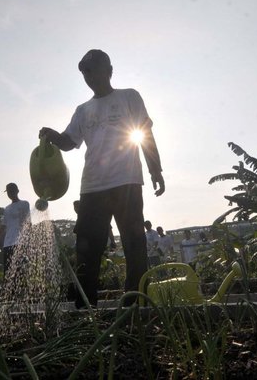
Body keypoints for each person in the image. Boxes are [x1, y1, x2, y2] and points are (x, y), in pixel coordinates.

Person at [39, 49, 165, 308]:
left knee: (134, 244)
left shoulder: (129, 97)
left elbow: (144, 133)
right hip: (93, 187)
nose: (89, 76)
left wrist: (155, 169)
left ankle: (134, 305)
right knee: (86, 249)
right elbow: (69, 141)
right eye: (85, 73)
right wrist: (52, 134)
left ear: (108, 70)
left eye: (93, 70)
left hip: (126, 183)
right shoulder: (83, 110)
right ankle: (85, 309)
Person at [0, 183, 31, 278]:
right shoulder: (7, 209)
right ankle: (9, 292)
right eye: (8, 192)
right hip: (7, 243)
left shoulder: (25, 204)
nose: (10, 193)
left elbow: (28, 222)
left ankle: (20, 291)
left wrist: (29, 239)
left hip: (20, 242)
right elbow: (3, 225)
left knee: (20, 270)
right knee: (8, 271)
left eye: (11, 191)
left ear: (17, 191)